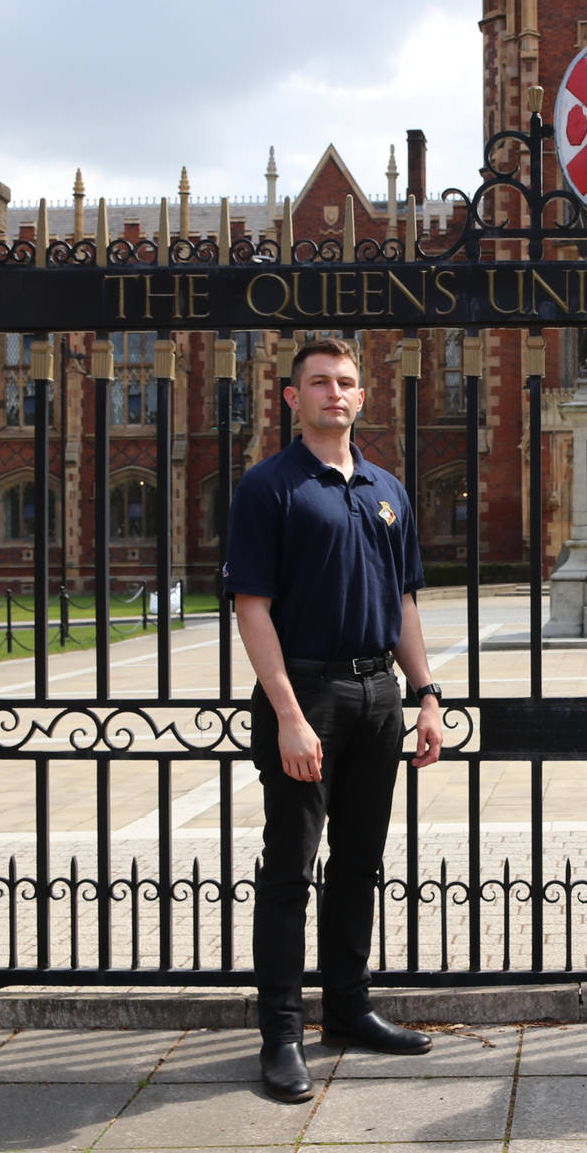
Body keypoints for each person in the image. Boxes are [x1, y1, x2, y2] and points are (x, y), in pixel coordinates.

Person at [224, 337, 445, 1103]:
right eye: (319, 383)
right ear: (293, 398)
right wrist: (286, 715)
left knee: (358, 864)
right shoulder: (269, 487)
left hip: (377, 695)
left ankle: (348, 1010)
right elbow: (253, 610)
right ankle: (280, 1033)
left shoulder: (387, 488)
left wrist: (426, 694)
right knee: (289, 869)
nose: (335, 394)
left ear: (362, 395)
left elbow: (405, 601)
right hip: (307, 694)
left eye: (346, 382)